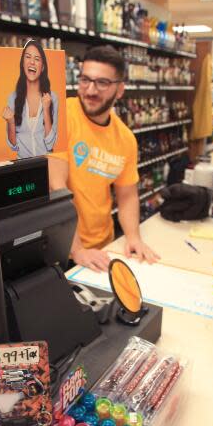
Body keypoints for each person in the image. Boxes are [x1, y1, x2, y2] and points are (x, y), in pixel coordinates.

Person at [48, 45, 158, 271]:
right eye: (85, 80)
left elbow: (127, 195)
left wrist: (133, 237)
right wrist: (77, 249)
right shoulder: (59, 116)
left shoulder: (126, 139)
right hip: (61, 246)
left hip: (103, 245)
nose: (90, 90)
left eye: (102, 83)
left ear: (120, 90)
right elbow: (55, 186)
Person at [3, 39, 58, 158]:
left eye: (37, 59)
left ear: (42, 67)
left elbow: (50, 144)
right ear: (23, 63)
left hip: (46, 165)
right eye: (28, 57)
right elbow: (13, 146)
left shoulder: (52, 97)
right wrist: (11, 122)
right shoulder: (13, 98)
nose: (32, 62)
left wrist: (46, 110)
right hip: (22, 167)